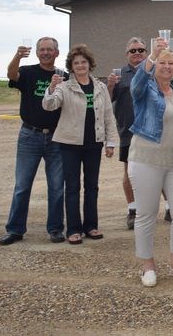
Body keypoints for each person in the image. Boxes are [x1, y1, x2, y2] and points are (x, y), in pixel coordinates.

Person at [128, 38, 173, 287]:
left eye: (170, 63)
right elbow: (136, 83)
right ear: (155, 64)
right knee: (146, 214)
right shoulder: (145, 90)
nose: (166, 66)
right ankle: (148, 266)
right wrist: (152, 55)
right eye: (162, 62)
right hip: (146, 160)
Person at [42, 44, 119, 244]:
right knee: (73, 187)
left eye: (83, 62)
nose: (80, 65)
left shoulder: (100, 88)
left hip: (94, 144)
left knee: (92, 187)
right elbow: (49, 105)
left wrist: (110, 142)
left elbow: (108, 116)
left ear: (89, 64)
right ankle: (74, 229)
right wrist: (51, 88)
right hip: (69, 144)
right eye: (76, 63)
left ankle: (91, 226)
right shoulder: (64, 87)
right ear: (71, 66)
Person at [0, 37, 66, 245]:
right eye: (42, 49)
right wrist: (18, 56)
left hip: (56, 137)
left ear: (57, 53)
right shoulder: (28, 72)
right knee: (22, 185)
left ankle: (55, 229)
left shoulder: (63, 76)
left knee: (56, 187)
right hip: (29, 135)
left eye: (50, 50)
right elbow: (11, 75)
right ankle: (15, 230)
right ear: (37, 52)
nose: (46, 53)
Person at [107, 37, 148, 229]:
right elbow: (107, 102)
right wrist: (110, 86)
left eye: (141, 49)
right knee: (129, 172)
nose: (137, 53)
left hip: (151, 131)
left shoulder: (153, 71)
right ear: (127, 54)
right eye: (133, 51)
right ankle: (133, 209)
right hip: (128, 132)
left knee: (158, 169)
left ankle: (168, 208)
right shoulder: (119, 75)